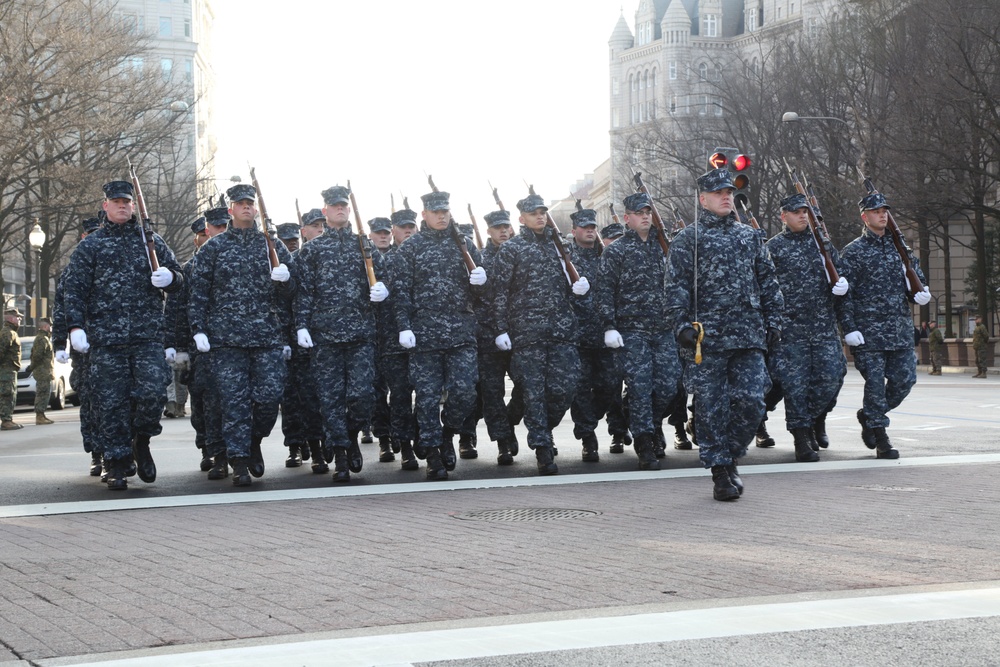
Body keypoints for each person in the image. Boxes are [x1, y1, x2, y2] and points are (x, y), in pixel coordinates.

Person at [665, 168, 784, 501]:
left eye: (729, 192)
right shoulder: (689, 239)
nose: (726, 197)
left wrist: (774, 321)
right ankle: (719, 469)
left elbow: (768, 281)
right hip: (708, 340)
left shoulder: (749, 236)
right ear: (703, 199)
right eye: (719, 193)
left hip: (748, 335)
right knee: (711, 407)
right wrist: (680, 325)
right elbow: (675, 287)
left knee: (752, 400)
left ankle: (730, 454)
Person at [62, 180, 184, 490]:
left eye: (126, 202)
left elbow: (180, 279)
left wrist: (170, 277)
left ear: (134, 205)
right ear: (105, 205)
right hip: (106, 339)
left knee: (153, 395)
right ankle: (116, 462)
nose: (121, 206)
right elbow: (73, 289)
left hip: (146, 337)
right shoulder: (92, 245)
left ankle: (140, 441)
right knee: (111, 403)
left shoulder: (151, 242)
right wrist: (74, 327)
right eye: (115, 201)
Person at [187, 183, 294, 487]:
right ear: (231, 208)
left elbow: (293, 292)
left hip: (267, 337)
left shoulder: (271, 245)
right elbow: (198, 294)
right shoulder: (214, 248)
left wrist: (286, 279)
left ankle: (254, 441)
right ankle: (239, 461)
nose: (247, 207)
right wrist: (199, 331)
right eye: (241, 203)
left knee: (268, 399)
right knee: (234, 403)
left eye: (251, 202)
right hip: (226, 340)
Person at [294, 184, 389, 482]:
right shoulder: (313, 250)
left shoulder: (364, 245)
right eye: (334, 206)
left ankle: (348, 436)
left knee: (362, 396)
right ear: (325, 212)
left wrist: (383, 289)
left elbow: (386, 278)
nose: (340, 209)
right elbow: (303, 292)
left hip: (361, 334)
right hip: (326, 336)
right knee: (330, 399)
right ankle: (341, 453)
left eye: (344, 205)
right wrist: (301, 325)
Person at [392, 190, 487, 480]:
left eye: (445, 211)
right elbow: (400, 292)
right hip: (424, 336)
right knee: (427, 398)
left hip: (461, 334)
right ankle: (433, 452)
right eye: (435, 212)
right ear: (424, 215)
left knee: (464, 392)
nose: (441, 216)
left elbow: (481, 295)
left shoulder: (465, 245)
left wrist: (482, 282)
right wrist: (404, 326)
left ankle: (448, 434)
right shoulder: (411, 248)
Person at [492, 192, 588, 475]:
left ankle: (540, 427)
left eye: (543, 212)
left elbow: (575, 284)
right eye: (534, 212)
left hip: (562, 331)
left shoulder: (561, 247)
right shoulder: (512, 249)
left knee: (565, 388)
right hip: (527, 333)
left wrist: (582, 289)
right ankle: (543, 448)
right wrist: (501, 330)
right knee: (534, 393)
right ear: (521, 218)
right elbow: (499, 293)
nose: (540, 216)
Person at [839, 191, 931, 459]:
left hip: (900, 330)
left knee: (905, 380)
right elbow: (845, 295)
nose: (883, 215)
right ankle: (881, 436)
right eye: (877, 211)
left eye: (885, 210)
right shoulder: (853, 251)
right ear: (864, 217)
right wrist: (849, 328)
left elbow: (917, 282)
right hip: (868, 333)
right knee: (875, 385)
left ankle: (868, 414)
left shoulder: (901, 249)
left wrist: (921, 291)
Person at [597, 193, 680, 469]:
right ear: (626, 218)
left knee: (668, 385)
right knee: (640, 387)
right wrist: (609, 326)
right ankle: (645, 441)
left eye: (648, 211)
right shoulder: (616, 250)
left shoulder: (665, 246)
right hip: (632, 330)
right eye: (638, 212)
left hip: (664, 328)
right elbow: (605, 290)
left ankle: (651, 423)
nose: (645, 216)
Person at [765, 194, 851, 462]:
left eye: (806, 212)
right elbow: (764, 287)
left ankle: (816, 418)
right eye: (796, 212)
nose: (803, 216)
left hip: (824, 327)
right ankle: (801, 436)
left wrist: (842, 287)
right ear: (783, 216)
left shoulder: (823, 244)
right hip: (791, 330)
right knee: (795, 386)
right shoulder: (773, 248)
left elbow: (840, 278)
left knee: (832, 378)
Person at [52, 216, 102, 475]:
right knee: (91, 404)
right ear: (84, 237)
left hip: (110, 343)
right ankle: (97, 452)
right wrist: (60, 343)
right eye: (90, 233)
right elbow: (61, 307)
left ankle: (123, 448)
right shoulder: (75, 268)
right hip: (85, 350)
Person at [474, 209, 524, 465]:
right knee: (492, 393)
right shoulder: (478, 259)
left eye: (506, 227)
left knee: (526, 386)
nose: (503, 231)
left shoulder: (522, 252)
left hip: (519, 332)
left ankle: (510, 421)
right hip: (489, 335)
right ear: (489, 232)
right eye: (497, 228)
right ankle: (503, 441)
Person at [376, 208, 420, 471]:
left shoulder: (425, 256)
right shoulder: (384, 260)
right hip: (392, 339)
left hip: (425, 337)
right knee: (401, 395)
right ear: (393, 230)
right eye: (403, 227)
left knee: (427, 394)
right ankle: (404, 445)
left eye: (411, 226)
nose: (408, 231)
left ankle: (426, 438)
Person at [0, 308, 23, 431]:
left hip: (9, 369)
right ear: (10, 318)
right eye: (17, 317)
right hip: (6, 370)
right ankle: (6, 420)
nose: (20, 319)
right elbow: (1, 351)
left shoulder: (11, 332)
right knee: (7, 395)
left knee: (10, 394)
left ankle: (8, 419)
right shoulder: (8, 333)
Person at [30, 317, 55, 424]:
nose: (51, 328)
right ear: (46, 326)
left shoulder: (44, 338)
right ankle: (39, 416)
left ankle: (42, 415)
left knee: (45, 393)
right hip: (42, 371)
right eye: (50, 326)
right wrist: (32, 366)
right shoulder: (41, 339)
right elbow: (37, 355)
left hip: (45, 371)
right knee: (42, 393)